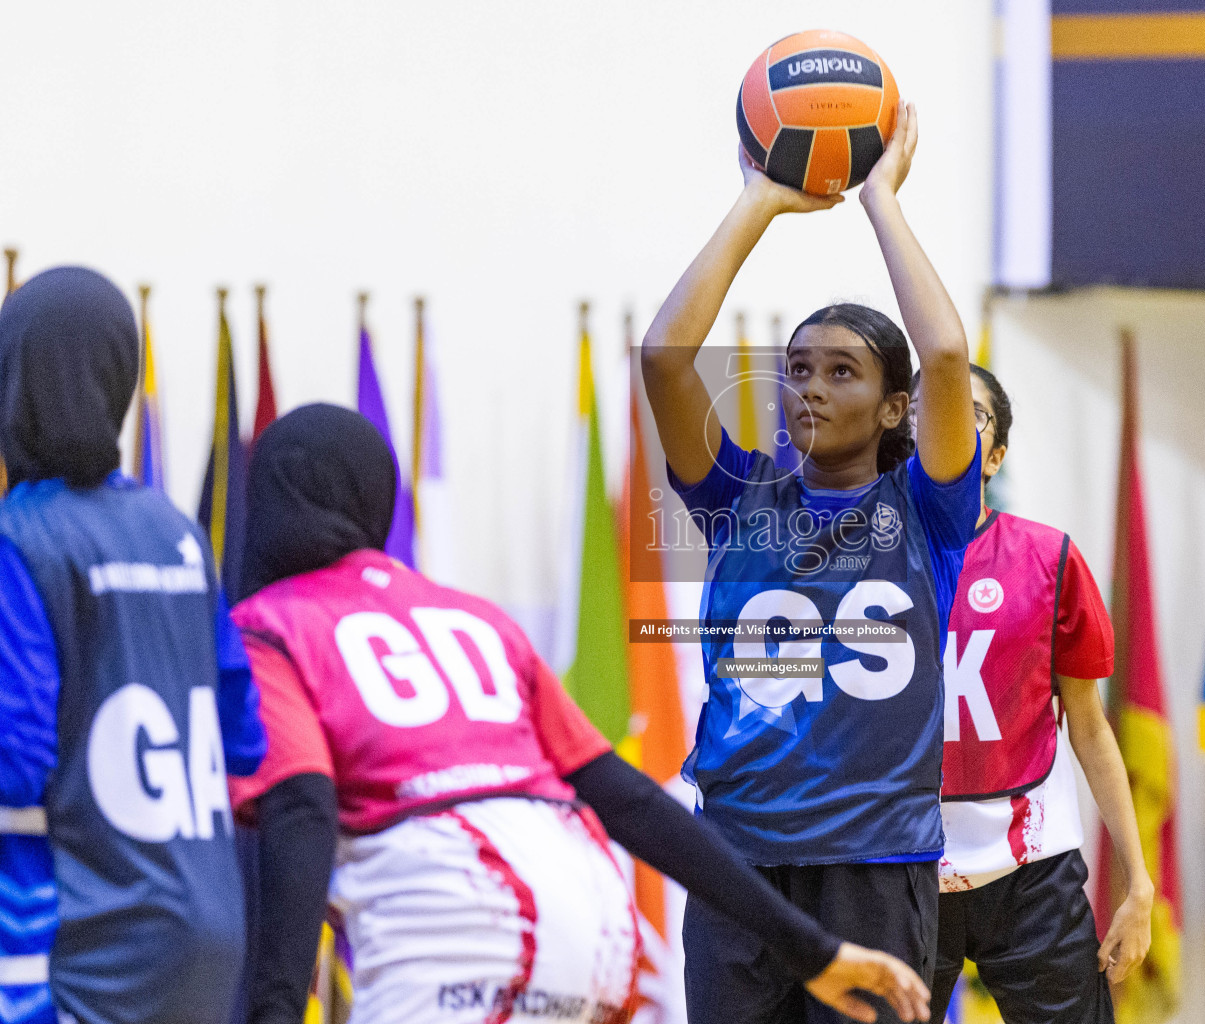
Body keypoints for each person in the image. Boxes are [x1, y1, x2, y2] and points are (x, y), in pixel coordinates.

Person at [227, 403, 930, 1024]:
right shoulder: (476, 620)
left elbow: (302, 811)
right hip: (589, 916)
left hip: (450, 916)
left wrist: (274, 1008)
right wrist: (809, 948)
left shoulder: (267, 626)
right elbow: (630, 802)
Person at [641, 101, 980, 1024]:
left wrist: (883, 204)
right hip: (740, 860)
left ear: (894, 408)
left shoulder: (929, 511)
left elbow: (946, 353)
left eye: (842, 372)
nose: (811, 389)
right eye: (797, 369)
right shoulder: (737, 499)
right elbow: (665, 360)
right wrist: (759, 199)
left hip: (874, 864)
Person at [0, 267, 267, 1024]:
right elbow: (244, 740)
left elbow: (14, 764)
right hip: (210, 946)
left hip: (79, 956)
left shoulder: (20, 539)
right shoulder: (179, 532)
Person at [910, 364, 1152, 1022]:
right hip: (899, 867)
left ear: (996, 455)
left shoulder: (1049, 559)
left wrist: (1139, 878)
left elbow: (1090, 725)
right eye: (925, 410)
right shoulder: (858, 562)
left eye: (971, 413)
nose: (946, 423)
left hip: (1030, 869)